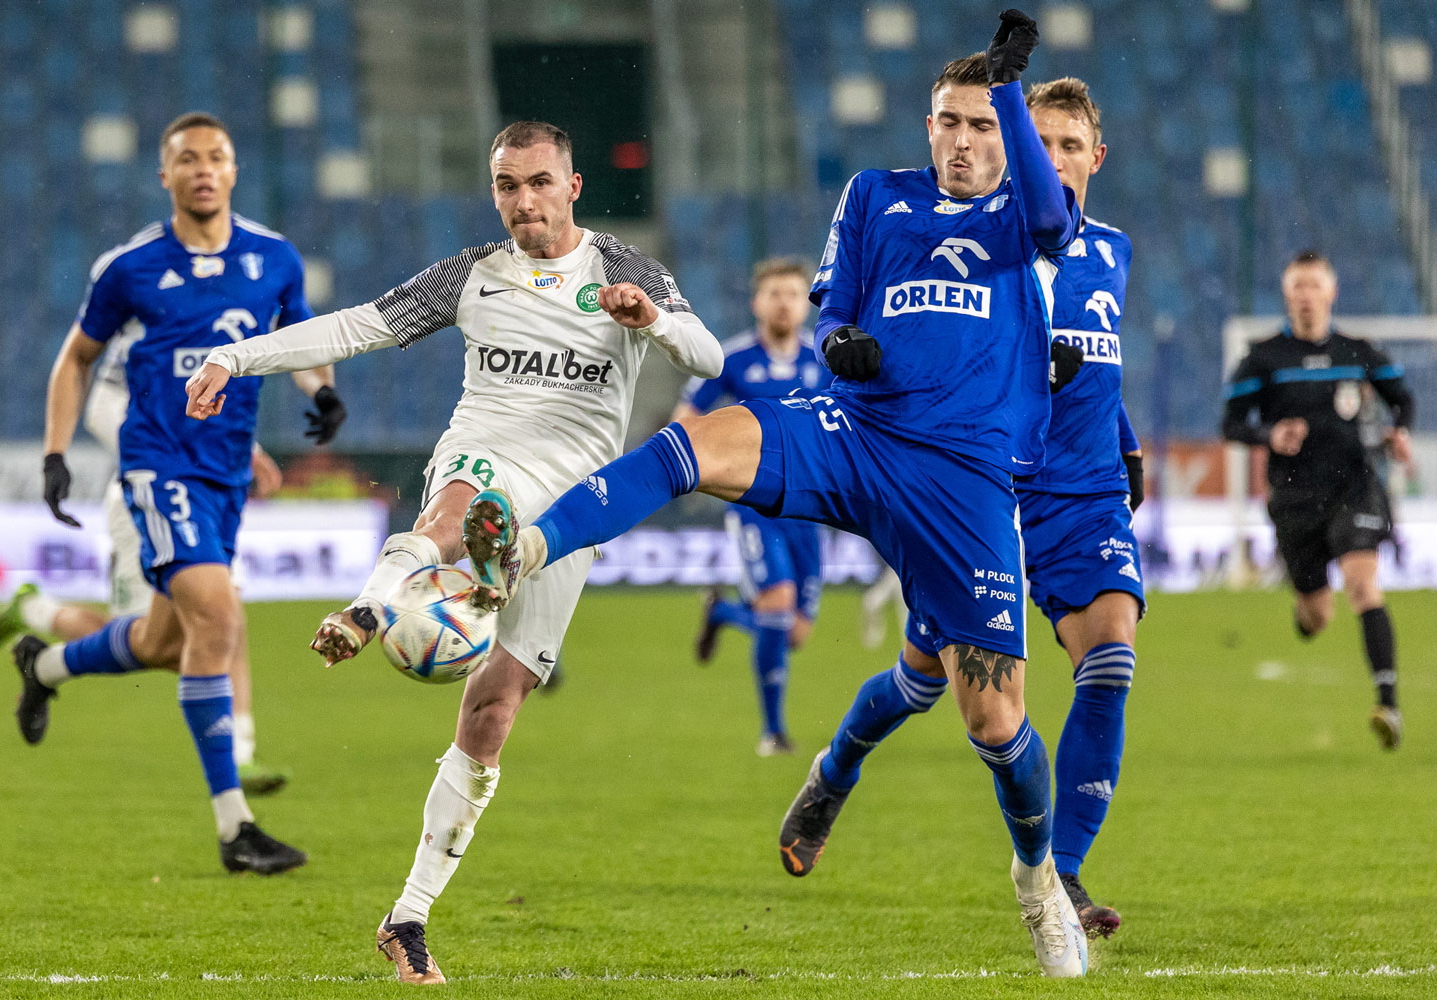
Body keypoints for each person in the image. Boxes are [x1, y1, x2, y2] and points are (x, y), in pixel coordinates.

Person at [459, 14, 1090, 977]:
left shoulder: (1022, 217)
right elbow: (836, 304)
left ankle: (1037, 884)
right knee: (699, 440)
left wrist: (1013, 88)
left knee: (990, 718)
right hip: (859, 432)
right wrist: (840, 342)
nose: (961, 142)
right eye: (946, 122)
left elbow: (1052, 224)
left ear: (1006, 132)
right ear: (926, 127)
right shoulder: (876, 196)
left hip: (964, 476)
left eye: (980, 125)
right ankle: (530, 547)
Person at [182, 121, 723, 983]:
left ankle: (408, 917)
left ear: (573, 186)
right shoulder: (472, 274)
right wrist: (236, 357)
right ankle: (371, 605)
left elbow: (710, 354)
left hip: (570, 510)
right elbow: (358, 326)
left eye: (539, 183)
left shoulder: (623, 268)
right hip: (486, 452)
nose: (523, 202)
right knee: (457, 505)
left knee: (492, 712)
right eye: (507, 186)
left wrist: (652, 319)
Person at [9, 111, 341, 874]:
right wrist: (56, 453)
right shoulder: (130, 268)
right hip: (158, 466)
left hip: (225, 475)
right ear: (165, 176)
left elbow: (305, 339)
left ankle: (45, 666)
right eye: (186, 159)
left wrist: (321, 393)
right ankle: (235, 829)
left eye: (216, 157)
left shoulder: (272, 259)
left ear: (232, 172)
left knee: (164, 643)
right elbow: (76, 359)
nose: (202, 169)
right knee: (220, 615)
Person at [0, 332, 324, 794]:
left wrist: (248, 450)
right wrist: (169, 460)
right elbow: (103, 411)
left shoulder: (218, 318)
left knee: (226, 618)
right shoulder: (147, 322)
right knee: (144, 640)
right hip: (145, 498)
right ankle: (35, 613)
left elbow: (210, 406)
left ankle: (241, 754)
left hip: (204, 497)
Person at [1011, 77, 1141, 938]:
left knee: (1112, 660)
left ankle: (1062, 872)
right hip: (993, 491)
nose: (1054, 161)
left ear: (1095, 158)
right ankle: (836, 770)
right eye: (1040, 144)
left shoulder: (1116, 250)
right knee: (923, 686)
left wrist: (1127, 442)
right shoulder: (991, 244)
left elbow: (1102, 362)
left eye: (1069, 146)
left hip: (1087, 496)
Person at [1223, 251, 1413, 749]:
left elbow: (1402, 398)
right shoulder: (1263, 358)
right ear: (1286, 297)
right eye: (1296, 288)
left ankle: (1387, 703)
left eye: (1314, 286)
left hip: (1353, 486)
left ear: (1331, 293)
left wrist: (1402, 432)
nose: (1306, 296)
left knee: (1362, 584)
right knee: (1317, 615)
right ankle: (1305, 609)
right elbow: (1230, 422)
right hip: (1293, 499)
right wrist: (1269, 434)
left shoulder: (1358, 351)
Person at [674, 257, 829, 756]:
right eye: (774, 293)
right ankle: (773, 732)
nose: (784, 302)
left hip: (809, 511)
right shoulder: (732, 360)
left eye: (793, 293)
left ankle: (721, 611)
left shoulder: (825, 359)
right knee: (779, 605)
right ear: (756, 302)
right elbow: (686, 417)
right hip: (754, 509)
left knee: (796, 633)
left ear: (807, 301)